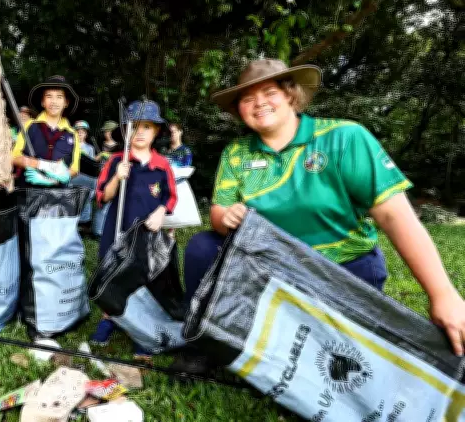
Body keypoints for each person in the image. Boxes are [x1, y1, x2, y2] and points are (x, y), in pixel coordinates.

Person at [175, 58, 465, 374]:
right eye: (247, 98)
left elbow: (395, 216)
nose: (259, 103)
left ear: (290, 95)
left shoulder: (344, 138)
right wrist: (226, 217)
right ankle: (204, 343)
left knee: (343, 367)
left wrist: (443, 295)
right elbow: (218, 213)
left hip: (342, 267)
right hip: (270, 267)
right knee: (203, 247)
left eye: (269, 92)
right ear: (239, 109)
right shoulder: (237, 152)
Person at [89, 100, 178, 363]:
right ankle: (109, 319)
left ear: (156, 132)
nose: (140, 133)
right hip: (118, 229)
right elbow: (102, 197)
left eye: (147, 127)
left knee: (144, 279)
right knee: (113, 275)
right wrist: (118, 176)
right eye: (134, 127)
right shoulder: (117, 160)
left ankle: (142, 331)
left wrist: (161, 212)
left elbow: (170, 198)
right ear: (125, 132)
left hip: (147, 234)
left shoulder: (162, 165)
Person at [11, 75, 81, 188]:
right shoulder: (29, 126)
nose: (54, 101)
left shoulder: (72, 134)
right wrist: (41, 165)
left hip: (59, 199)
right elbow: (13, 158)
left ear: (66, 102)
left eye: (59, 97)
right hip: (28, 196)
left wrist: (54, 180)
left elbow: (74, 169)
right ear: (43, 101)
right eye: (49, 96)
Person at [71, 120, 98, 228]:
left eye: (83, 132)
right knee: (73, 199)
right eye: (78, 131)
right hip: (73, 177)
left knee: (86, 199)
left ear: (86, 134)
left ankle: (84, 222)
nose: (80, 134)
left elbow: (92, 165)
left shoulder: (90, 148)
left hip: (86, 178)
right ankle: (73, 220)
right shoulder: (70, 146)